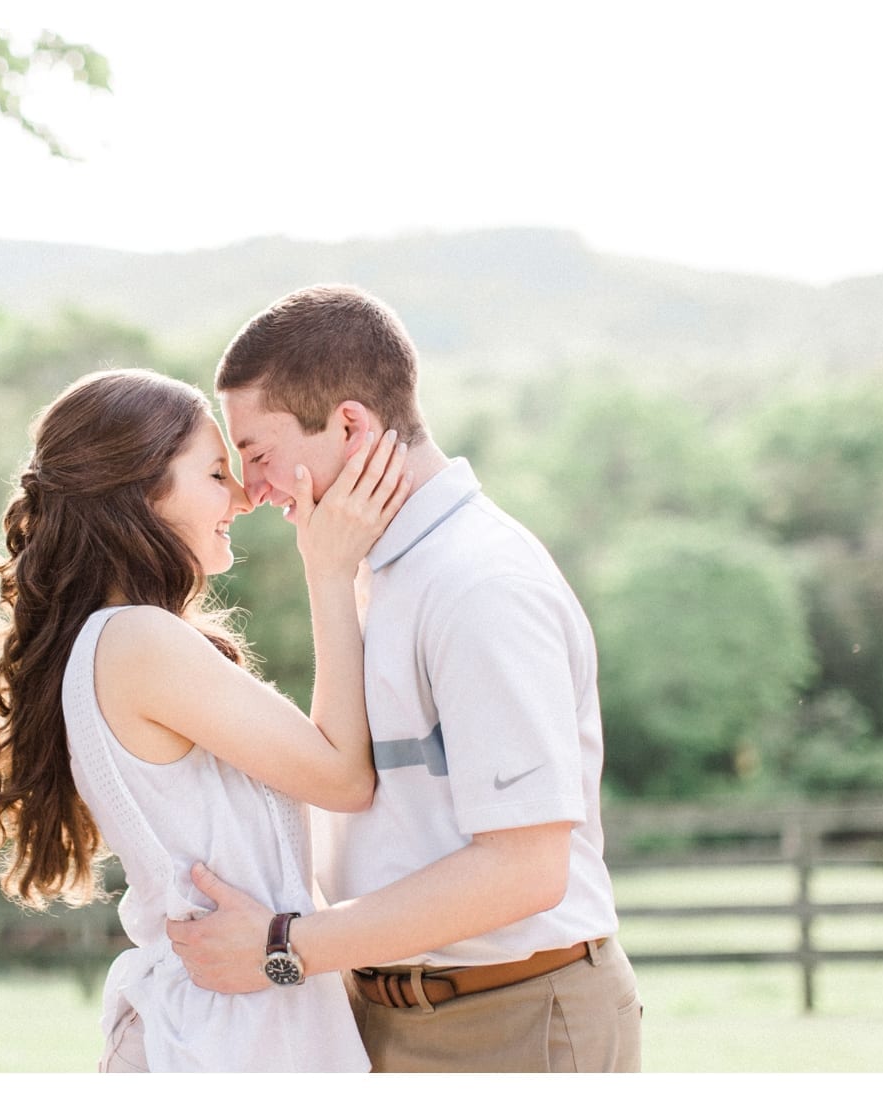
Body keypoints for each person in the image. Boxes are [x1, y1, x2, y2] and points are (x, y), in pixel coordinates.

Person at [166, 285, 643, 1073]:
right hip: (386, 1015)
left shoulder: (478, 582)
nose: (251, 491)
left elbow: (525, 866)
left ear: (349, 425)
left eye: (256, 452)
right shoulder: (368, 569)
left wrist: (282, 947)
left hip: (514, 1019)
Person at [0, 367, 412, 1072]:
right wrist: (330, 572)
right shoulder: (139, 641)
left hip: (230, 1031)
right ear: (143, 493)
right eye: (213, 473)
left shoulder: (126, 641)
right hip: (213, 1042)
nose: (242, 496)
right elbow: (344, 776)